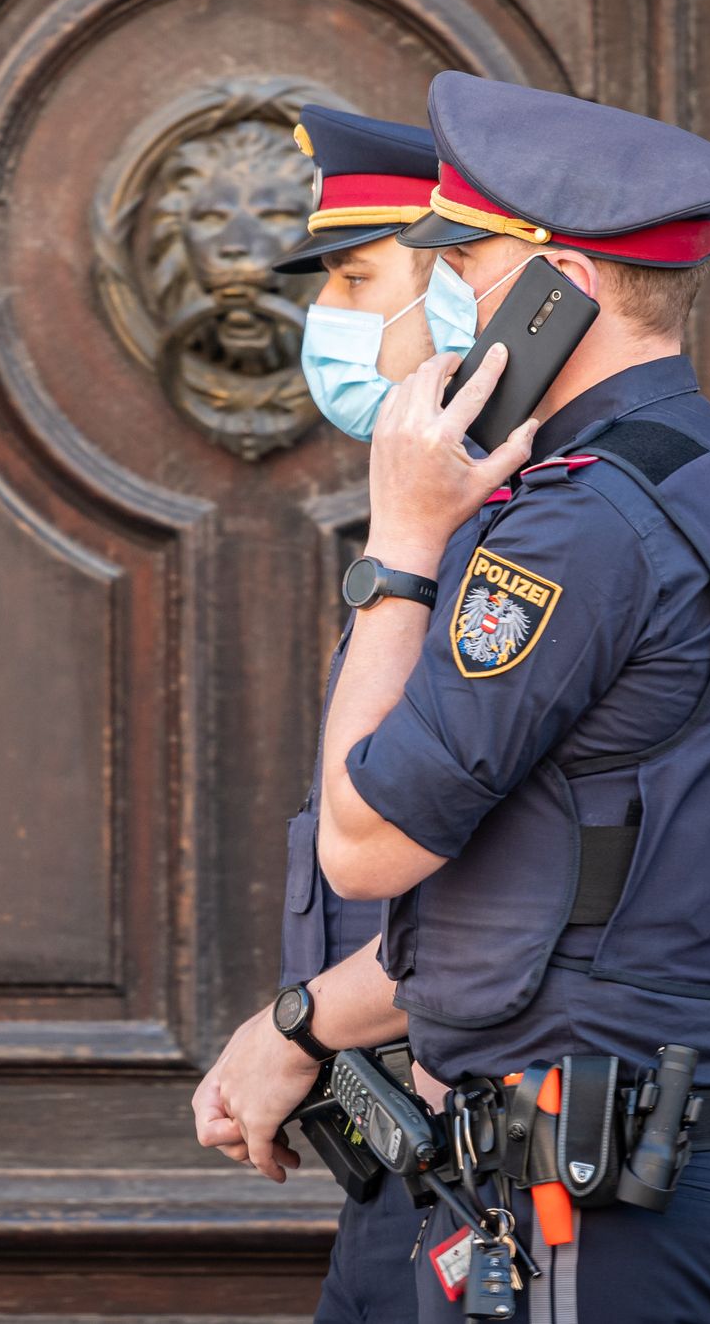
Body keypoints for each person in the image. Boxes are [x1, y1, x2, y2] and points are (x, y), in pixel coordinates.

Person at [193, 72, 710, 1324]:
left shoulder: (573, 526)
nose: (448, 293)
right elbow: (559, 886)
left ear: (567, 288)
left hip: (577, 1191)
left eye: (468, 263)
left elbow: (367, 840)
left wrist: (398, 545)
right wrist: (300, 1018)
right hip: (629, 1155)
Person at [222, 103, 473, 1323]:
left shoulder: (500, 543)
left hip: (483, 1152)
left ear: (460, 290)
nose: (328, 316)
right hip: (403, 1150)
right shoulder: (434, 524)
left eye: (358, 276)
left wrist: (295, 1028)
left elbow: (515, 898)